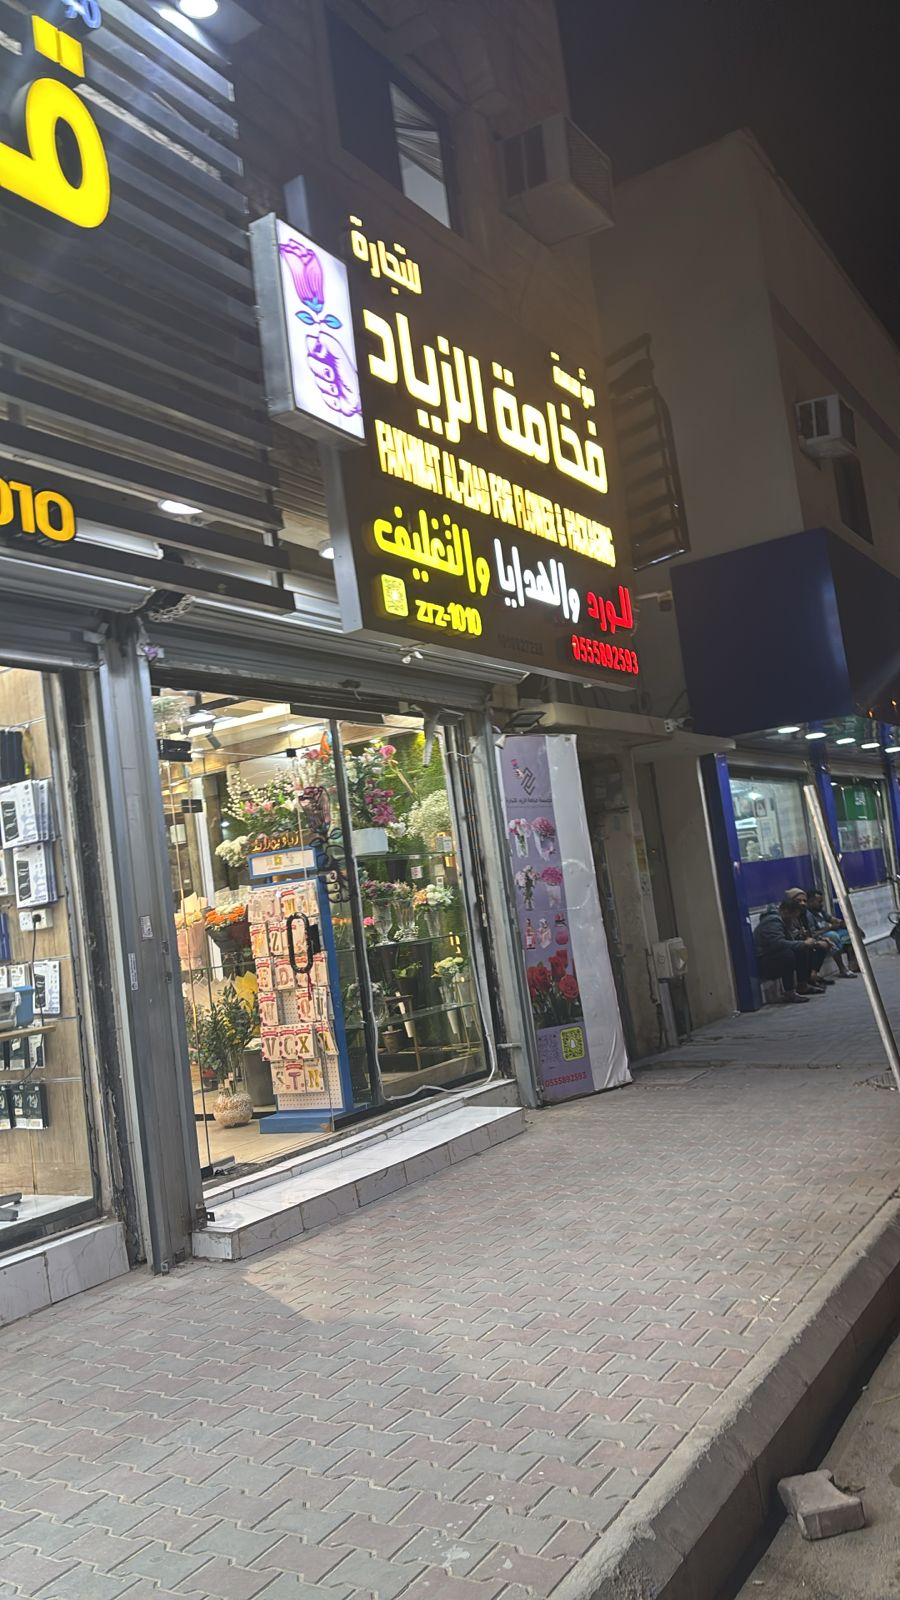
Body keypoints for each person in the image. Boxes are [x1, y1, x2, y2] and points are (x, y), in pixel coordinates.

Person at [753, 896, 829, 1003]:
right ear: (785, 911)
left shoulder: (785, 920)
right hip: (765, 960)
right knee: (788, 954)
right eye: (793, 915)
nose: (794, 918)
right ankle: (790, 993)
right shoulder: (773, 922)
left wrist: (814, 942)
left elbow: (794, 936)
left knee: (803, 948)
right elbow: (778, 944)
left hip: (774, 955)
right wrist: (803, 943)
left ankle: (803, 985)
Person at [801, 888, 859, 977]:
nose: (821, 904)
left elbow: (832, 919)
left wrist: (847, 924)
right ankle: (842, 969)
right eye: (819, 902)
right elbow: (813, 934)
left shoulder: (820, 911)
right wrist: (829, 928)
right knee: (833, 935)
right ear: (810, 902)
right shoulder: (808, 915)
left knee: (850, 933)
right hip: (820, 936)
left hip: (828, 932)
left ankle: (852, 964)